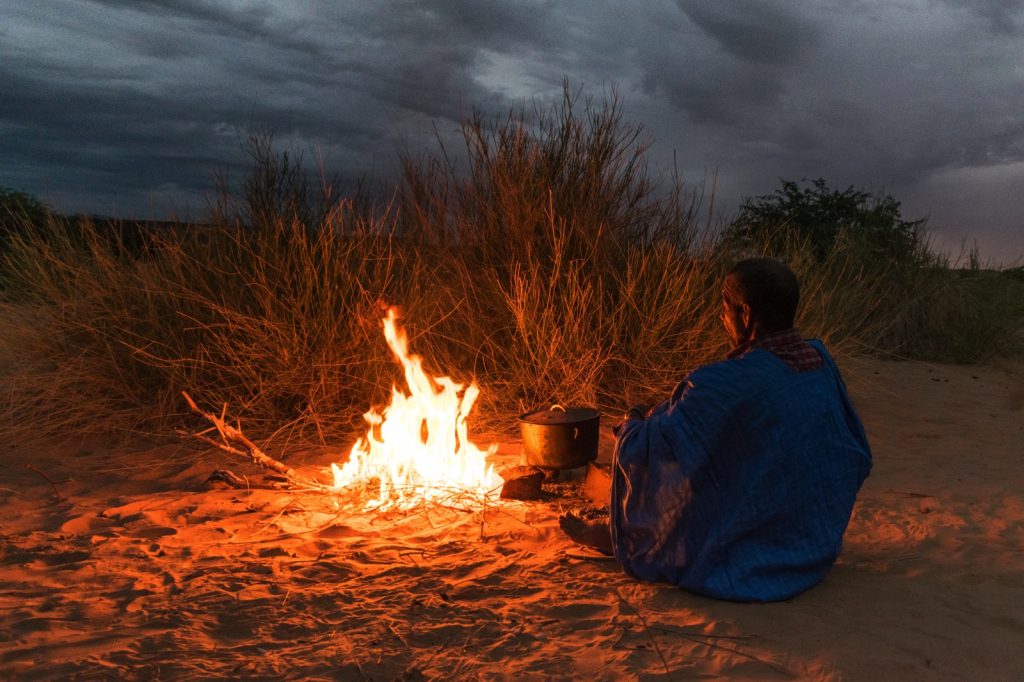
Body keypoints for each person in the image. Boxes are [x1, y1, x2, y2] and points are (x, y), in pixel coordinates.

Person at [560, 258, 872, 602]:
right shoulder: (819, 361)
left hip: (752, 556)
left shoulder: (721, 384)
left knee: (677, 471)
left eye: (725, 304)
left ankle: (620, 537)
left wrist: (632, 422)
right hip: (814, 542)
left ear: (747, 314)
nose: (721, 315)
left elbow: (652, 450)